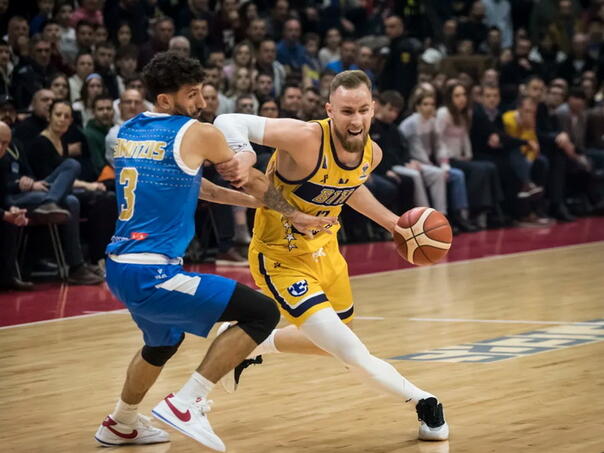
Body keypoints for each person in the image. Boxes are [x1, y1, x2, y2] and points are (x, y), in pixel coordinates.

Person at [94, 51, 334, 450]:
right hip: (154, 272)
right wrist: (294, 213)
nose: (202, 103)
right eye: (192, 94)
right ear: (166, 99)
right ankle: (187, 403)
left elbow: (199, 187)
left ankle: (120, 422)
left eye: (202, 93)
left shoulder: (129, 131)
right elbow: (248, 178)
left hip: (119, 266)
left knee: (162, 343)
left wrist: (256, 205)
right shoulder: (197, 132)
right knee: (262, 313)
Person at [213, 70, 449, 441]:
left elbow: (349, 188)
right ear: (330, 110)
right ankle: (424, 402)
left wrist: (394, 224)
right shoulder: (305, 137)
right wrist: (244, 153)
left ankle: (248, 340)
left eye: (363, 110)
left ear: (373, 109)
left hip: (327, 253)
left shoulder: (372, 153)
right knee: (350, 351)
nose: (356, 120)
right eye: (347, 111)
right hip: (280, 256)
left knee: (331, 341)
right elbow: (227, 120)